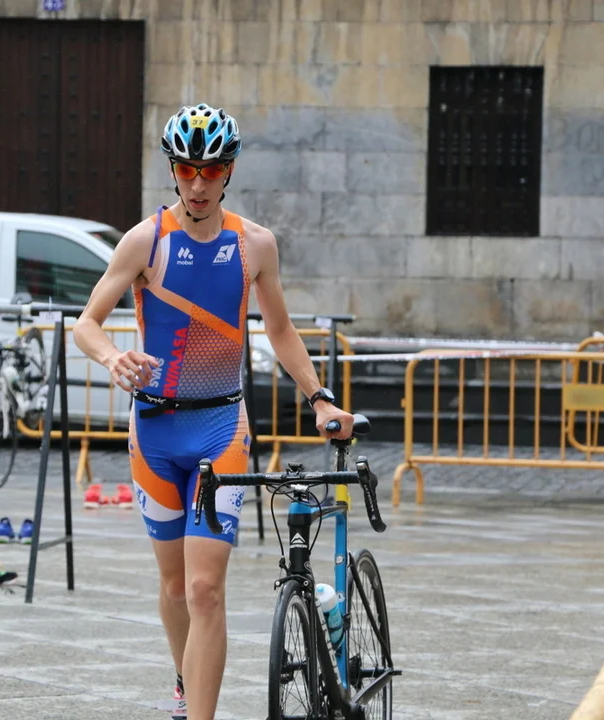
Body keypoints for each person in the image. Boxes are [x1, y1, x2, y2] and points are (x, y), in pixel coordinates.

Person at [72, 103, 354, 720]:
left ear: (229, 170)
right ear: (173, 170)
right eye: (186, 170)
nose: (198, 184)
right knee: (175, 586)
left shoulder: (255, 244)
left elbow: (280, 330)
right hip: (154, 432)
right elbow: (86, 323)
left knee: (205, 589)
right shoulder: (145, 240)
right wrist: (113, 357)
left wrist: (319, 397)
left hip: (221, 427)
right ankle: (185, 681)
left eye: (211, 170)